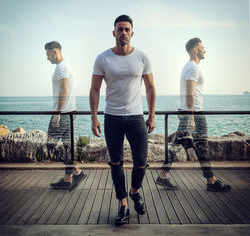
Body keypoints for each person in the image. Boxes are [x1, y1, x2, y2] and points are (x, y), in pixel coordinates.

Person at [89, 15, 156, 225]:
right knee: (116, 163)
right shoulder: (103, 58)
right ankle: (123, 205)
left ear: (132, 33)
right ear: (114, 32)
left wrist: (152, 115)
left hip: (136, 117)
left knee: (142, 162)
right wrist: (94, 117)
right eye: (120, 29)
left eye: (127, 29)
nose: (123, 33)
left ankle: (135, 191)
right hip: (112, 118)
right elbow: (94, 89)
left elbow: (150, 88)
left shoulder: (142, 57)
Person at [156, 38, 231, 192]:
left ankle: (163, 175)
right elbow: (189, 94)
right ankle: (211, 181)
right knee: (201, 147)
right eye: (203, 47)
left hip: (187, 112)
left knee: (179, 145)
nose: (205, 50)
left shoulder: (189, 67)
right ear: (195, 49)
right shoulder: (193, 68)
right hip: (193, 114)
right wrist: (191, 118)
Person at [45, 41, 86, 190]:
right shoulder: (63, 67)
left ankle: (74, 173)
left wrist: (57, 114)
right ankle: (70, 177)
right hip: (67, 113)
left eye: (48, 54)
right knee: (65, 147)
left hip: (63, 114)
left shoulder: (62, 68)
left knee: (50, 146)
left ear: (54, 52)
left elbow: (64, 90)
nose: (47, 58)